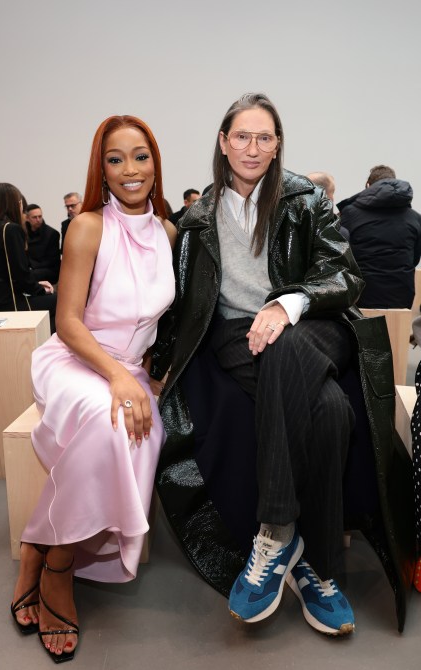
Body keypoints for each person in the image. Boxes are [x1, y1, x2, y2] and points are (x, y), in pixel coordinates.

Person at [151, 93, 415, 635]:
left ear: (277, 146)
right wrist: (155, 364)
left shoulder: (306, 199)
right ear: (223, 143)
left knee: (286, 347)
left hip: (314, 323)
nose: (253, 147)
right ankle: (320, 566)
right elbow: (181, 305)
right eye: (242, 136)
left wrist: (289, 303)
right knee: (331, 410)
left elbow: (346, 276)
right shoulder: (197, 221)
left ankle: (274, 533)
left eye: (264, 137)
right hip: (237, 334)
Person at [10, 115, 176, 662]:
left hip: (129, 370)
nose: (130, 169)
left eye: (140, 156)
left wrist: (144, 372)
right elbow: (68, 322)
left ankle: (38, 543)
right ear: (101, 170)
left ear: (155, 163)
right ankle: (59, 567)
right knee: (111, 425)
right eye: (115, 159)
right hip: (76, 360)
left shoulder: (169, 234)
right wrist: (119, 376)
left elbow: (156, 323)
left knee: (141, 429)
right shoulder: (87, 226)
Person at [337, 165, 421, 308]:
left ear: (368, 186)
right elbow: (415, 258)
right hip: (402, 295)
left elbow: (341, 253)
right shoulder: (415, 218)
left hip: (361, 295)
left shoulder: (349, 214)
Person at [0, 184, 57, 331]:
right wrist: (39, 289)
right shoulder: (11, 229)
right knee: (59, 301)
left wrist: (35, 284)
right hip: (7, 302)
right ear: (17, 204)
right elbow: (20, 273)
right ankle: (42, 344)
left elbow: (4, 272)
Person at [25, 204, 61, 284]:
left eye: (40, 216)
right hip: (32, 269)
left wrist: (32, 266)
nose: (38, 220)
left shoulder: (52, 234)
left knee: (27, 275)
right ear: (27, 218)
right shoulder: (24, 233)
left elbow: (52, 261)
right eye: (34, 217)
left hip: (49, 270)